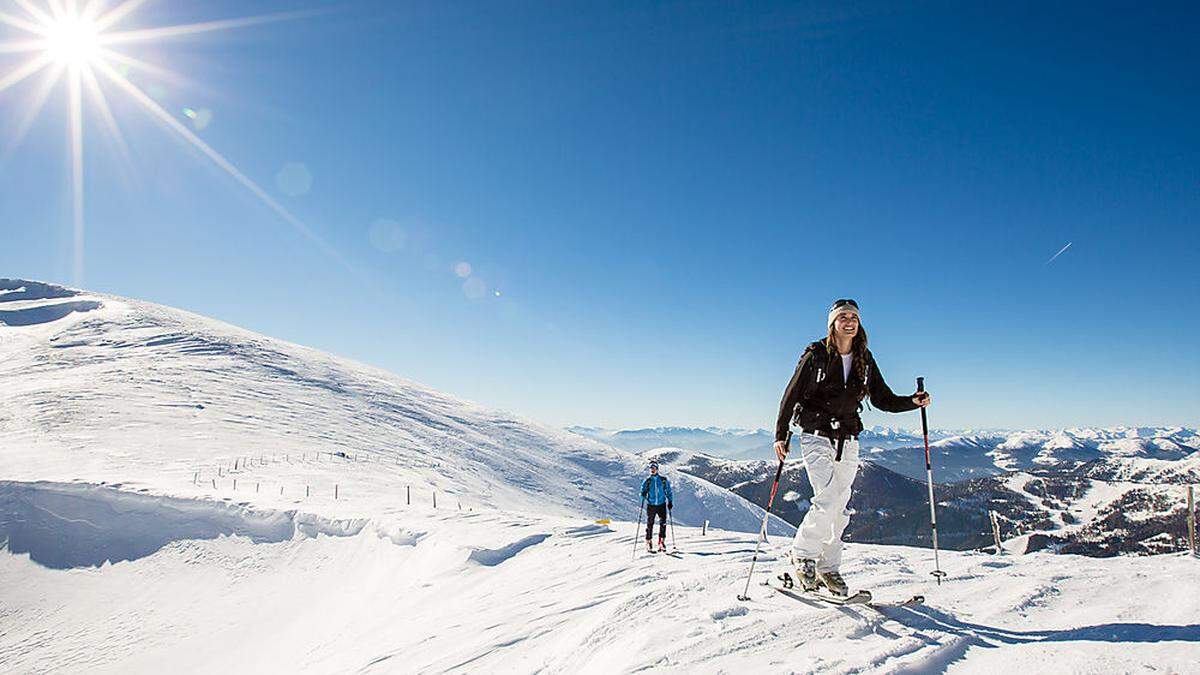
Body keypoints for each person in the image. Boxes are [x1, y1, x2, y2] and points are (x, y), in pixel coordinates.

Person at [773, 299, 931, 595]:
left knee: (841, 508)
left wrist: (912, 402)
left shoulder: (864, 359)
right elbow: (791, 393)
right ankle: (803, 554)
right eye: (843, 317)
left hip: (848, 438)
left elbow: (883, 398)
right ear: (832, 323)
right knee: (828, 499)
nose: (850, 321)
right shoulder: (816, 355)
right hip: (816, 435)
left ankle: (829, 567)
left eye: (854, 317)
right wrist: (780, 434)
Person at [640, 461, 674, 553]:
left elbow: (668, 491)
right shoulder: (647, 481)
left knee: (663, 523)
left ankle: (661, 542)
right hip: (651, 505)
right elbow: (642, 492)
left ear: (657, 469)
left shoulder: (663, 480)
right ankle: (648, 541)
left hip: (661, 504)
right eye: (651, 468)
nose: (652, 470)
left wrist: (670, 501)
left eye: (654, 468)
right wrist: (644, 495)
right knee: (650, 524)